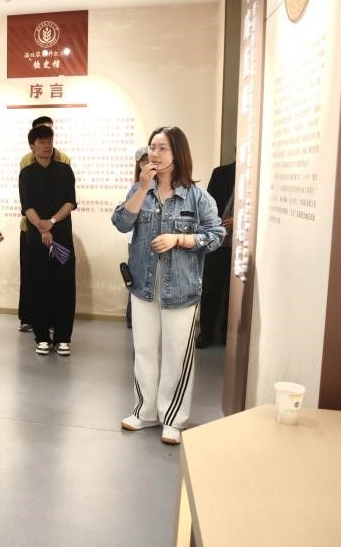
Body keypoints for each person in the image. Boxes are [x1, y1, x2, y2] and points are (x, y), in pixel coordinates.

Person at [111, 126, 224, 446]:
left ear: (178, 154)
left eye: (162, 148)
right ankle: (145, 411)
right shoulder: (139, 190)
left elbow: (216, 236)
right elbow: (120, 223)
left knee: (177, 356)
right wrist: (141, 188)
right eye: (152, 147)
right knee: (144, 352)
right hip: (143, 286)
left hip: (182, 289)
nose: (155, 154)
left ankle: (173, 418)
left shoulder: (197, 197)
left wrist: (180, 239)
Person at [19, 125, 77, 356]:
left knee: (64, 286)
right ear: (32, 147)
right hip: (36, 239)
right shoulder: (27, 173)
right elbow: (27, 206)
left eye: (49, 140)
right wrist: (42, 227)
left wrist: (51, 222)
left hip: (61, 238)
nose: (46, 145)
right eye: (41, 142)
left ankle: (63, 338)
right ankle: (42, 337)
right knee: (38, 286)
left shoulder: (64, 170)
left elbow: (70, 202)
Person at [197, 160, 236, 348]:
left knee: (234, 292)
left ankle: (228, 336)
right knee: (210, 288)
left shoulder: (259, 175)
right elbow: (208, 207)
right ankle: (206, 333)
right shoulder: (221, 173)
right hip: (217, 240)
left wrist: (239, 218)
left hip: (243, 243)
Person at [125, 147, 152, 329]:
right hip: (135, 241)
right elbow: (123, 220)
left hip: (155, 242)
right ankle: (132, 318)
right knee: (136, 279)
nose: (147, 163)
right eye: (143, 161)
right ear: (138, 164)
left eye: (149, 159)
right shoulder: (135, 188)